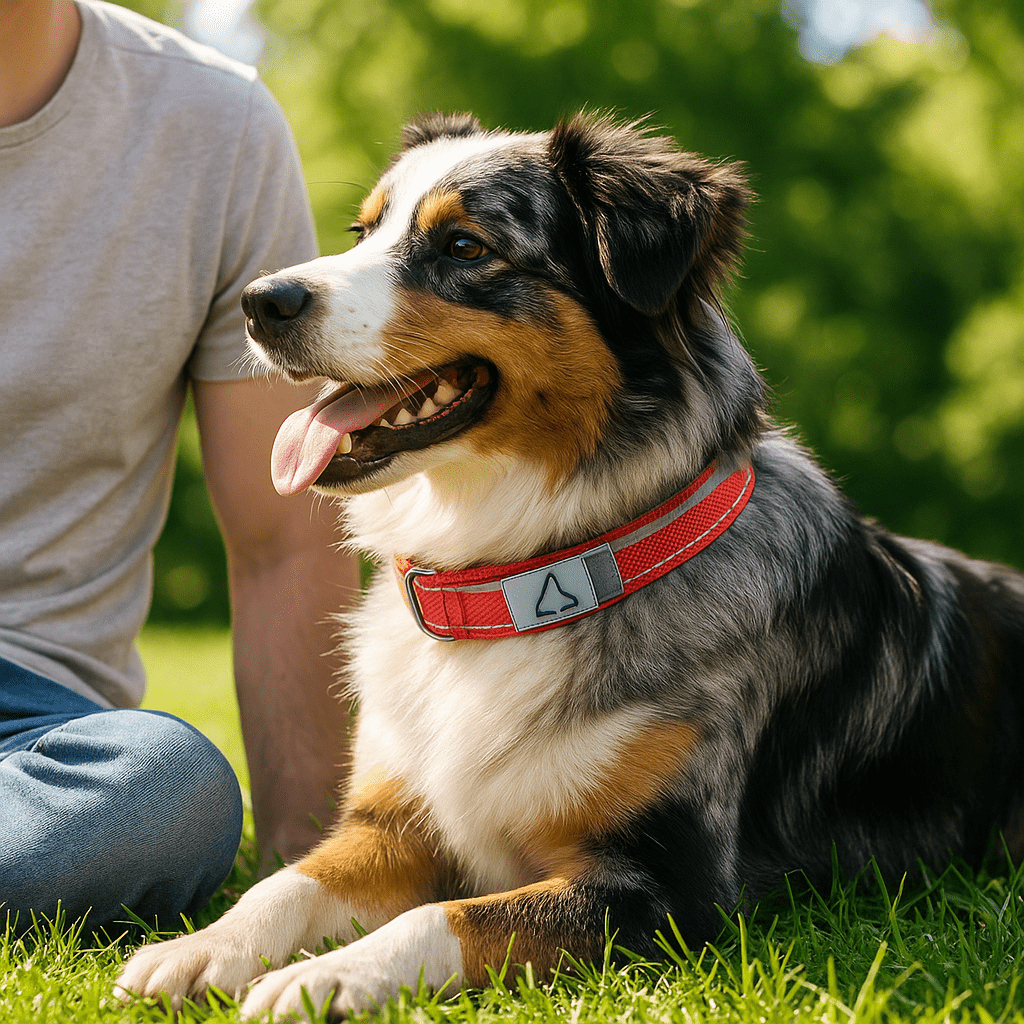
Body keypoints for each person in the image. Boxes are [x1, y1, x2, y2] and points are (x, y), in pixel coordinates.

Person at [0, 0, 358, 930]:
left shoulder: (213, 126)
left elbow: (283, 538)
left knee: (169, 791)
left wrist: (309, 872)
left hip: (29, 734)